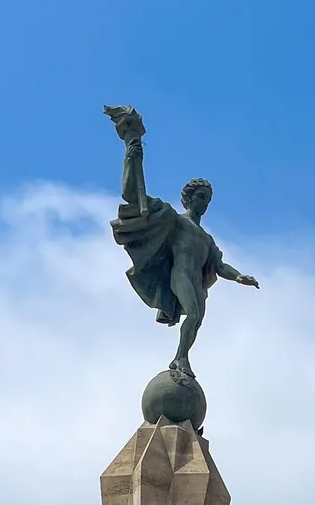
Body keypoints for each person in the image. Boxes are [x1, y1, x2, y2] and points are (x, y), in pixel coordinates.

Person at [105, 106, 259, 381]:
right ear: (189, 199)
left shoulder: (206, 240)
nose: (205, 203)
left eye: (208, 199)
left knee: (197, 317)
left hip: (196, 283)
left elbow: (219, 265)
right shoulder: (174, 221)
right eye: (200, 197)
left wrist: (239, 277)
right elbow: (131, 194)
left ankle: (181, 356)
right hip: (179, 275)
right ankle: (181, 358)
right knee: (195, 313)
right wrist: (131, 155)